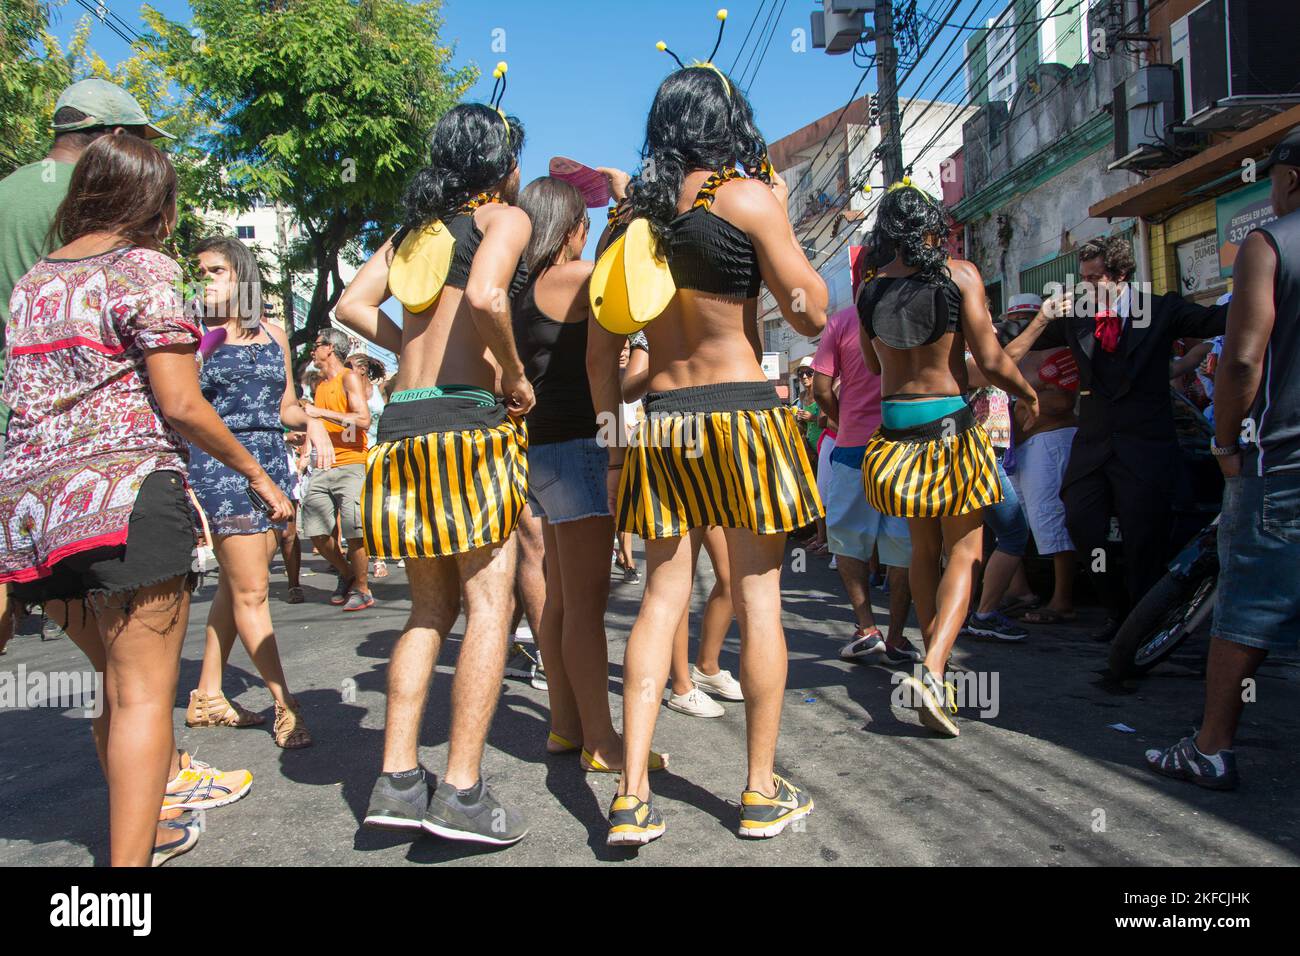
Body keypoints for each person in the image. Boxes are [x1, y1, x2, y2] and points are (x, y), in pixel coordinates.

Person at [0, 135, 290, 866]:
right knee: (139, 697)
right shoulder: (145, 268)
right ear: (154, 202)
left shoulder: (32, 281)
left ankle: (146, 830)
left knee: (113, 682)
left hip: (35, 518)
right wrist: (257, 476)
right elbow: (182, 403)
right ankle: (124, 881)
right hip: (128, 502)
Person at [589, 61, 826, 845]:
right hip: (742, 417)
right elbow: (814, 312)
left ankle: (629, 797)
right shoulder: (747, 198)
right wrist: (780, 217)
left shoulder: (629, 220)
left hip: (662, 420)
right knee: (759, 598)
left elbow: (613, 342)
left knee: (662, 597)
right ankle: (759, 791)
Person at [336, 101, 534, 845]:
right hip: (465, 423)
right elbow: (485, 296)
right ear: (498, 164)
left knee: (426, 611)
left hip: (403, 426)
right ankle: (460, 790)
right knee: (490, 605)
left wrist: (404, 350)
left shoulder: (410, 233)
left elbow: (351, 305)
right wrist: (513, 376)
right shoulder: (500, 219)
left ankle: (395, 779)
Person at [1146, 127, 1300, 790]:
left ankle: (1211, 745)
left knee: (1249, 605)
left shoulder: (1269, 245)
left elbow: (1240, 360)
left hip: (1283, 463)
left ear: (1288, 179)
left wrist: (1227, 441)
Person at [0, 79, 171, 669]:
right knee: (129, 668)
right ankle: (152, 749)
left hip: (17, 433)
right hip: (87, 438)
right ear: (115, 141)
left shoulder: (7, 193)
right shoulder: (96, 205)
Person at [857, 182, 1039, 737]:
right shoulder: (959, 276)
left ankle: (928, 666)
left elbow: (870, 364)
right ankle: (934, 668)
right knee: (966, 553)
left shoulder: (869, 291)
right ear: (932, 227)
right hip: (949, 431)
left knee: (922, 550)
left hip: (895, 435)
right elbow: (990, 358)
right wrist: (1027, 394)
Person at [1008, 235, 1228, 641]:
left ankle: (1138, 622)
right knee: (1082, 523)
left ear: (1121, 275)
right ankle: (1114, 607)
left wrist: (1262, 287)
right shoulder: (1076, 315)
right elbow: (1015, 342)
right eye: (1083, 279)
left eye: (1094, 279)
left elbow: (1213, 320)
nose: (1086, 287)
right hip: (1093, 445)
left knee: (1144, 534)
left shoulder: (1158, 309)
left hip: (1144, 444)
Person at [512, 175, 662, 770]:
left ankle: (565, 727)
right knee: (586, 609)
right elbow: (629, 276)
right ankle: (602, 742)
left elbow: (604, 376)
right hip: (580, 450)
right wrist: (617, 454)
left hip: (543, 452)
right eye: (583, 223)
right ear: (573, 228)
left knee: (558, 603)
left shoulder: (523, 291)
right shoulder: (577, 278)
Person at [184, 236, 331, 748]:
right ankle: (286, 705)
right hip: (222, 463)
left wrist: (310, 420)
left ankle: (207, 694)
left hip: (273, 459)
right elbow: (186, 409)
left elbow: (285, 405)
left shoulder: (273, 333)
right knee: (251, 590)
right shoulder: (196, 335)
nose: (206, 279)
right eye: (200, 271)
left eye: (217, 270)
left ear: (242, 274)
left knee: (235, 583)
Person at [811, 299, 916, 665]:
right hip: (906, 442)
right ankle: (897, 636)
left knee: (848, 541)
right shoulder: (917, 307)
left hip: (854, 445)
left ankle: (866, 627)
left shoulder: (842, 320)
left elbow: (821, 389)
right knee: (903, 545)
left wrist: (845, 422)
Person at [300, 327, 373, 610]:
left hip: (352, 462)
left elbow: (363, 420)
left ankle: (363, 589)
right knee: (316, 532)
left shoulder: (349, 377)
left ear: (330, 348)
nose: (312, 351)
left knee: (355, 530)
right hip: (323, 464)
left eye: (316, 345)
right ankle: (347, 573)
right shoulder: (320, 386)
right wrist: (307, 449)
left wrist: (320, 412)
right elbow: (316, 423)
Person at [348, 352, 391, 579]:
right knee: (362, 508)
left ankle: (384, 551)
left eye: (350, 367)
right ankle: (374, 557)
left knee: (379, 505)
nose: (346, 371)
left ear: (363, 370)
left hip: (379, 453)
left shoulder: (380, 391)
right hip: (356, 455)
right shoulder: (347, 392)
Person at [793, 358, 828, 552]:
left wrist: (813, 417)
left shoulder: (822, 394)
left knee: (824, 495)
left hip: (824, 447)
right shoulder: (802, 396)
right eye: (801, 374)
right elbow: (803, 425)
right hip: (809, 448)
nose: (804, 377)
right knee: (814, 495)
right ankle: (819, 534)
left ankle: (826, 537)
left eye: (809, 373)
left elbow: (829, 419)